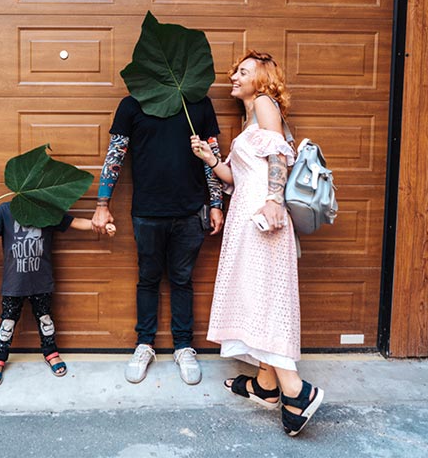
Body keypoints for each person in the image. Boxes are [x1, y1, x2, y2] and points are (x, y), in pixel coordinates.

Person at [190, 50, 324, 436]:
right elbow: (236, 177)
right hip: (246, 216)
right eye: (235, 71)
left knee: (262, 299)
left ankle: (296, 391)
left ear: (261, 80)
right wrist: (210, 159)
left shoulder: (265, 103)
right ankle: (266, 385)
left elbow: (279, 155)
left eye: (243, 72)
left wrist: (274, 200)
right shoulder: (249, 118)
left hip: (263, 217)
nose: (234, 76)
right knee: (257, 296)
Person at [91, 94, 224, 385]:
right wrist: (102, 204)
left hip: (190, 211)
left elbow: (211, 153)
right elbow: (115, 155)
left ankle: (183, 347)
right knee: (148, 279)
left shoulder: (198, 102)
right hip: (147, 212)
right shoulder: (132, 104)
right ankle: (144, 344)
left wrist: (216, 203)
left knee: (182, 280)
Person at [0, 201, 115, 387]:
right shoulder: (5, 209)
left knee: (45, 319)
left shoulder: (47, 209)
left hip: (41, 279)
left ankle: (50, 351)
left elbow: (74, 222)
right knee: (8, 321)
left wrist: (99, 225)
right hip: (14, 281)